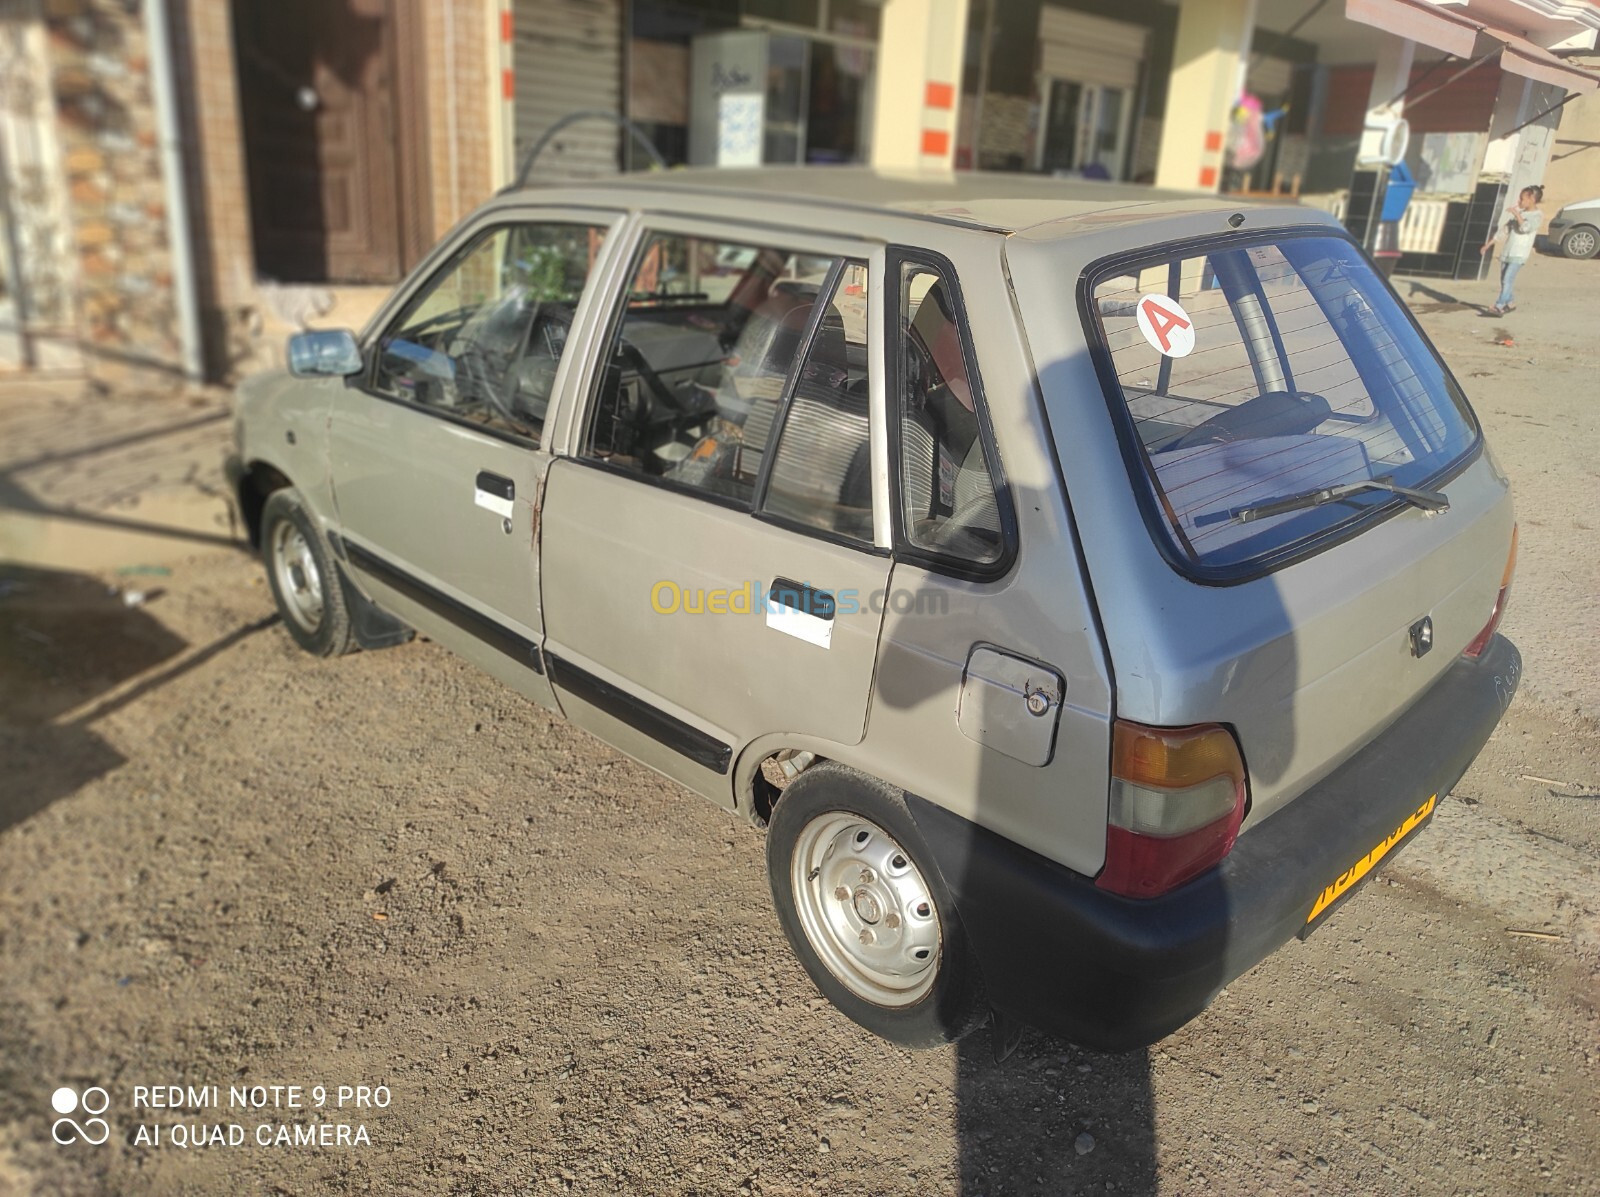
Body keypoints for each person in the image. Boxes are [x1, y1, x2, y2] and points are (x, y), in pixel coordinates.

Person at [1480, 184, 1545, 315]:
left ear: (1532, 199)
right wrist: (1489, 244)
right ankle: (1510, 302)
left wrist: (1517, 214)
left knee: (1507, 279)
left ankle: (1499, 306)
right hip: (1507, 252)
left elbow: (1525, 228)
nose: (1519, 202)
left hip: (1519, 254)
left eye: (1522, 199)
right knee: (1504, 279)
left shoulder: (1537, 216)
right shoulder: (1520, 213)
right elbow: (1505, 230)